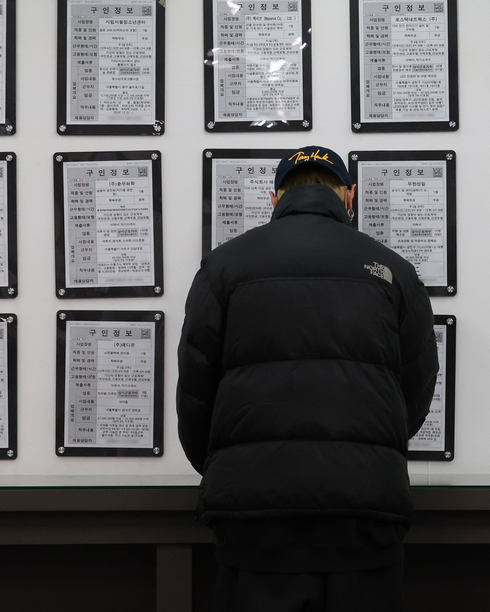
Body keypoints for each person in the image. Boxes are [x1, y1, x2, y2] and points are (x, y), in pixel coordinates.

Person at [177, 145, 439, 611]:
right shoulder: (394, 271)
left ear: (274, 198)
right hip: (363, 511)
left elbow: (196, 388)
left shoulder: (223, 267)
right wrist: (372, 449)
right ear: (349, 197)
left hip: (254, 513)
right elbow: (416, 390)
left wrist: (225, 464)